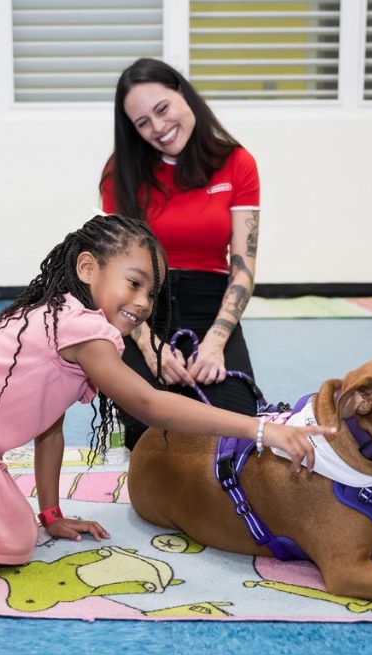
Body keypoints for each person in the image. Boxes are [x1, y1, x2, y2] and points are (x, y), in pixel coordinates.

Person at [0, 215, 332, 572]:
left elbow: (49, 427)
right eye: (135, 282)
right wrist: (261, 427)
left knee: (21, 528)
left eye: (152, 293)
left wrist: (51, 512)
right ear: (88, 268)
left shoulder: (65, 320)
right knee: (10, 545)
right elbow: (146, 404)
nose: (144, 303)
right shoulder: (85, 330)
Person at [100, 57, 263, 450]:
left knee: (236, 432)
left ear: (183, 94)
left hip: (211, 307)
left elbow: (242, 270)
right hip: (143, 307)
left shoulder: (237, 163)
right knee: (151, 436)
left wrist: (215, 343)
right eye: (142, 123)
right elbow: (112, 276)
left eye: (162, 109)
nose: (158, 128)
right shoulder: (117, 174)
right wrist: (148, 344)